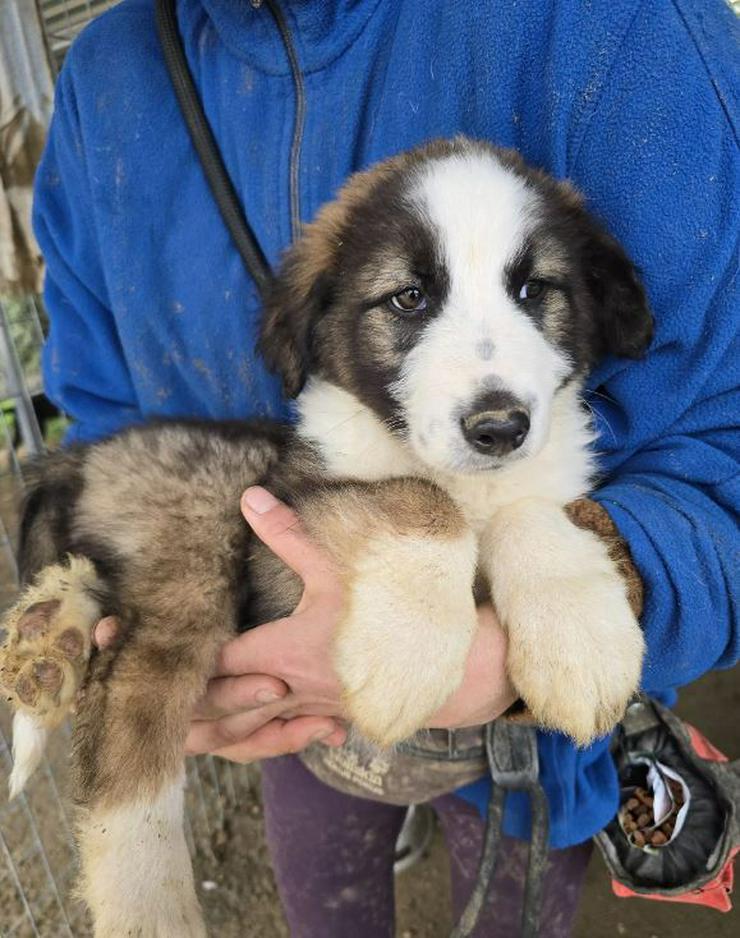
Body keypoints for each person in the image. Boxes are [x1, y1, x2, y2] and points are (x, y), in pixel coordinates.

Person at [32, 1, 739, 935]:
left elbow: (717, 440)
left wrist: (606, 562)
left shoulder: (626, 31)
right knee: (325, 906)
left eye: (535, 290)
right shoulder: (110, 76)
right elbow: (115, 431)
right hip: (291, 740)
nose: (490, 373)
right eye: (409, 298)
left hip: (527, 767)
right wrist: (151, 625)